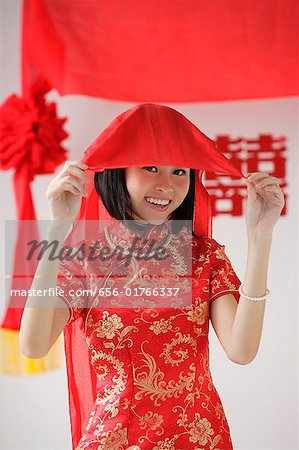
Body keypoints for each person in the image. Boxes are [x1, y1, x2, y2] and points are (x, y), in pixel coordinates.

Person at [19, 103, 285, 450]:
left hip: (200, 438)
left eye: (180, 172)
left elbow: (241, 350)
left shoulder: (203, 257)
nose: (167, 186)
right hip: (115, 439)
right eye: (151, 168)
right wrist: (57, 228)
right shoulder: (86, 261)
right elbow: (33, 345)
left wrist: (260, 235)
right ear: (118, 172)